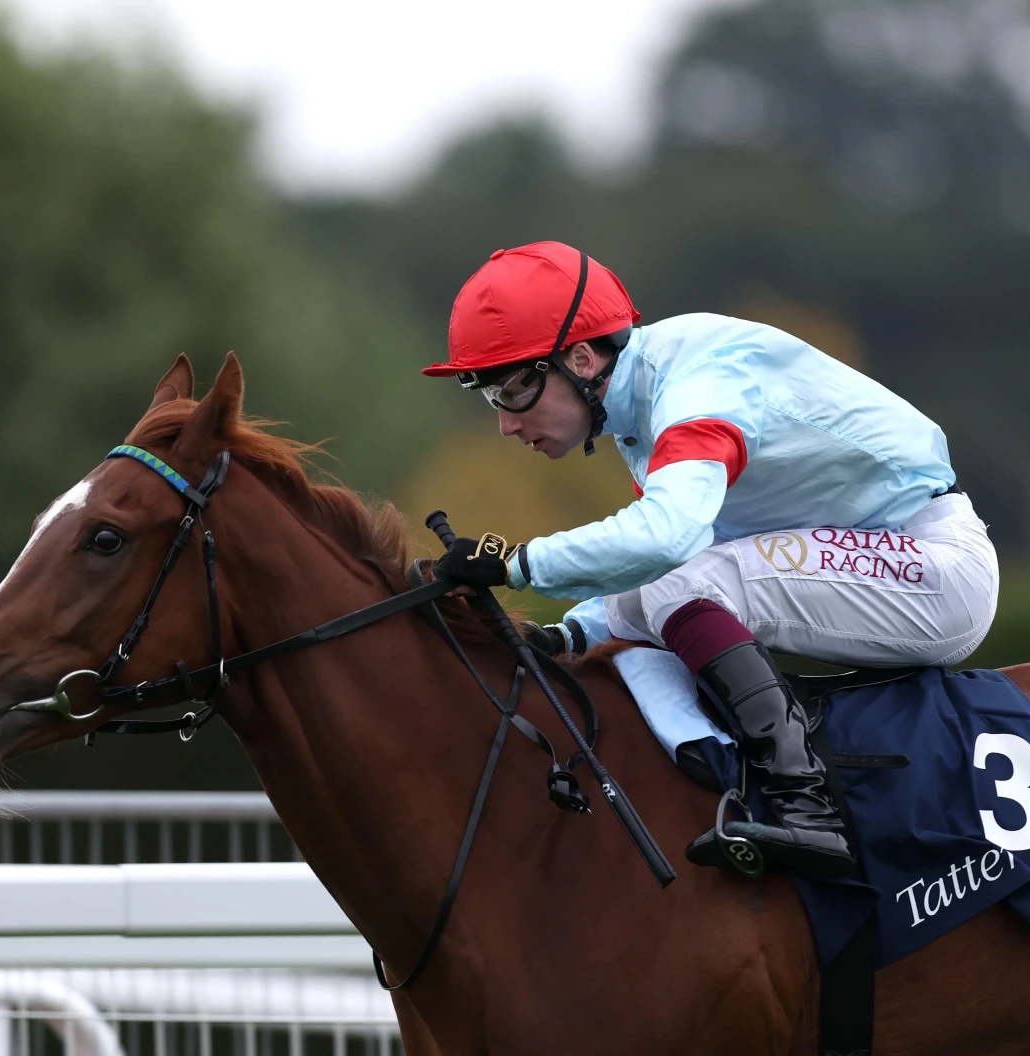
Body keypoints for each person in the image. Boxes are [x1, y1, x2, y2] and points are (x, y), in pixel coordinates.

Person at [423, 241, 998, 876]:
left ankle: (808, 811)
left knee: (684, 591)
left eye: (514, 388)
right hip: (882, 556)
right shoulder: (639, 403)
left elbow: (667, 542)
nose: (506, 424)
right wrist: (565, 635)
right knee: (651, 620)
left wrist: (516, 563)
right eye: (491, 396)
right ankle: (740, 782)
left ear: (581, 357)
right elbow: (667, 560)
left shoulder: (698, 382)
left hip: (935, 567)